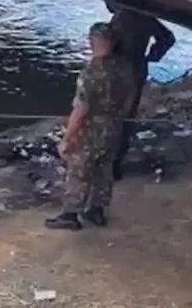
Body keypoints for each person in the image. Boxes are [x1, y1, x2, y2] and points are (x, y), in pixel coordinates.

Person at [45, 22, 136, 231]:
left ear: (93, 42)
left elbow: (81, 109)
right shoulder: (125, 67)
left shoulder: (90, 73)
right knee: (104, 169)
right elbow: (131, 97)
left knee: (79, 170)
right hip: (114, 126)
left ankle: (70, 214)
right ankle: (96, 211)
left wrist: (67, 138)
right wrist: (118, 116)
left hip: (90, 129)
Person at [106, 1, 176, 180]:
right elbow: (168, 38)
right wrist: (152, 56)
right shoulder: (146, 18)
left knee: (108, 114)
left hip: (117, 72)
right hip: (137, 70)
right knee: (126, 118)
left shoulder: (119, 19)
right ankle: (115, 162)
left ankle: (107, 160)